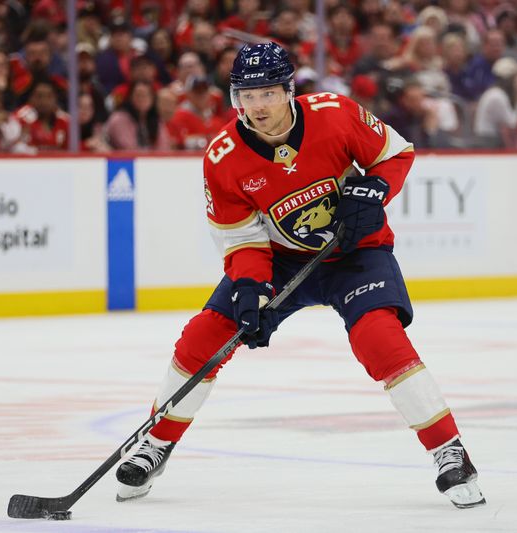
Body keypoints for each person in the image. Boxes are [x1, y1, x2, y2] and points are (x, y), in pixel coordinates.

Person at [114, 42, 486, 510]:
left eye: (268, 93)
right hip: (280, 260)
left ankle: (449, 451)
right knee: (204, 335)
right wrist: (251, 290)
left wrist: (374, 191)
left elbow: (395, 153)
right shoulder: (223, 156)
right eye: (247, 96)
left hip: (354, 254)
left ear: (289, 91)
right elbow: (241, 239)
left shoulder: (335, 113)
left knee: (380, 338)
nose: (258, 106)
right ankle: (157, 443)